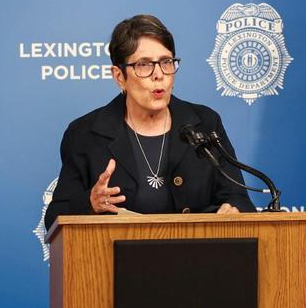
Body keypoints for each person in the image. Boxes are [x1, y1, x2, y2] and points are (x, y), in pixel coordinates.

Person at [44, 13, 254, 230]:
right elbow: (53, 219)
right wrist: (90, 202)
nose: (159, 75)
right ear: (119, 76)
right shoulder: (85, 134)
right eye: (144, 65)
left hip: (197, 258)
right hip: (115, 260)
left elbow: (239, 198)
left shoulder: (205, 123)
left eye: (166, 62)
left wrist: (232, 209)